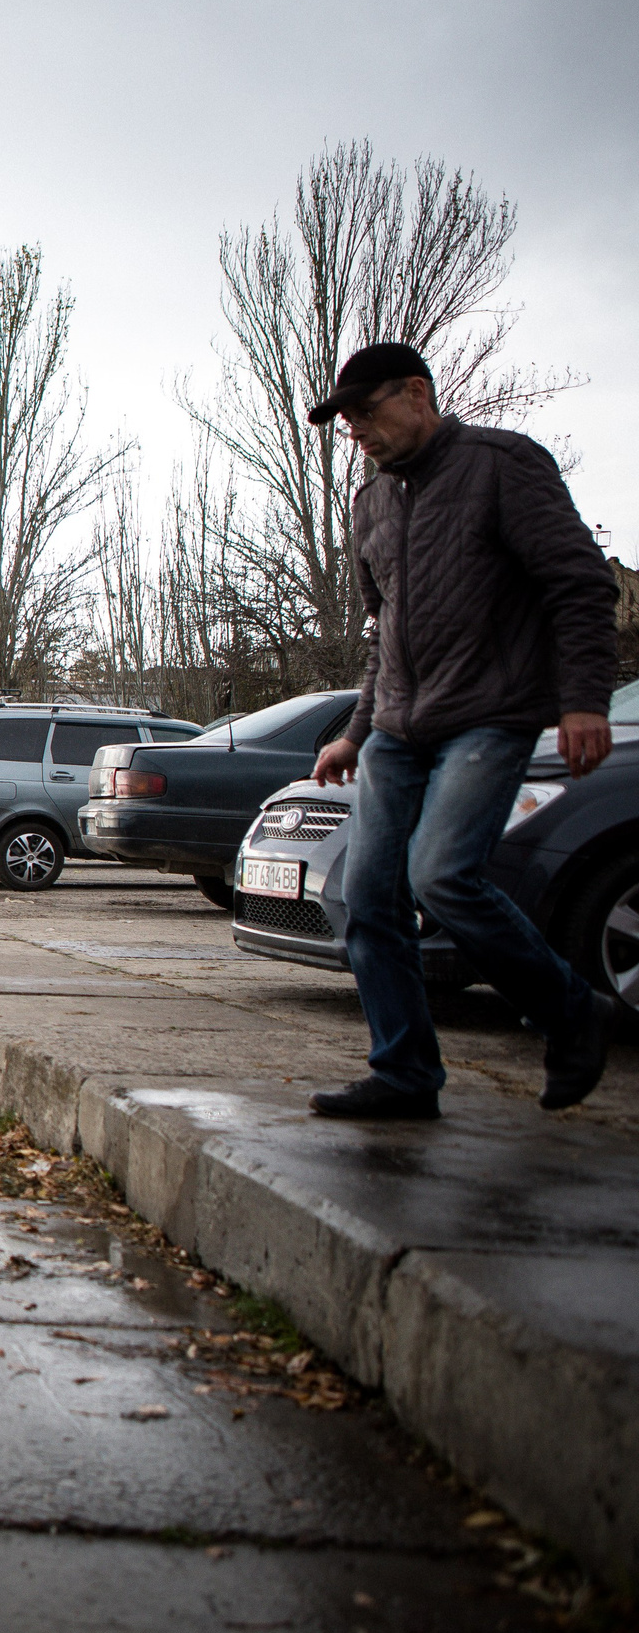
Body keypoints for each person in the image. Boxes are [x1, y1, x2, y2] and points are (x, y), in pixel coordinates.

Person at [303, 341, 619, 1120]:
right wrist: (356, 729)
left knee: (441, 874)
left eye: (368, 414)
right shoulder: (370, 504)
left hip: (490, 715)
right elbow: (387, 632)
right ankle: (405, 1072)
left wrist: (584, 698)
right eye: (347, 424)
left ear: (418, 393)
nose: (359, 435)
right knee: (367, 894)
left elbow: (580, 584)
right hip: (397, 731)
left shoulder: (503, 465)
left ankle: (572, 1009)